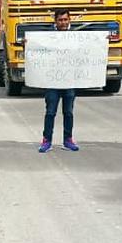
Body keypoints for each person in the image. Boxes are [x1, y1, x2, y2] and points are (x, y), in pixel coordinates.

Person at [39, 9, 80, 153]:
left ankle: (68, 140)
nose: (63, 22)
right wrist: (28, 44)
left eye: (65, 19)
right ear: (55, 21)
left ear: (70, 20)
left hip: (69, 81)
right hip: (52, 81)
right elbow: (37, 49)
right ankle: (46, 141)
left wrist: (102, 42)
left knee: (68, 112)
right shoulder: (46, 37)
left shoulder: (78, 37)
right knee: (50, 112)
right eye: (60, 20)